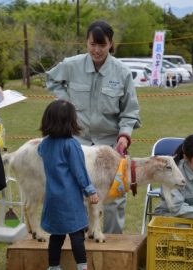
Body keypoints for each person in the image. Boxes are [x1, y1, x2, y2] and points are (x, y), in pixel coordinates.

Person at [45, 20, 141, 234]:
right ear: (86, 43)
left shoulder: (123, 72)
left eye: (102, 45)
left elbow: (130, 111)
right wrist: (66, 101)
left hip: (110, 144)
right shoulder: (72, 64)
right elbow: (52, 79)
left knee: (114, 197)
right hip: (77, 143)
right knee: (74, 193)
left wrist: (124, 136)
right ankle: (78, 243)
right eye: (92, 45)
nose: (96, 50)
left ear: (110, 44)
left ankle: (113, 245)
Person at [38, 100, 99, 270]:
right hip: (69, 200)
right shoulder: (71, 145)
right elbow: (80, 171)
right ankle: (82, 267)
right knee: (77, 234)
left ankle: (54, 267)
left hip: (52, 198)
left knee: (56, 236)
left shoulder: (45, 144)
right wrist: (90, 190)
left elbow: (40, 152)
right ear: (70, 121)